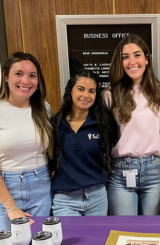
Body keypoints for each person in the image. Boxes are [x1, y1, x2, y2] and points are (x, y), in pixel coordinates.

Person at [0, 52, 53, 233]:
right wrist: (10, 207)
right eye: (18, 74)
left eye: (32, 76)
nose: (26, 81)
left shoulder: (44, 109)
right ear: (5, 76)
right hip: (3, 189)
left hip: (41, 186)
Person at [103, 34, 160, 215]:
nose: (132, 61)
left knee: (152, 233)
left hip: (156, 170)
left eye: (137, 55)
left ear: (147, 59)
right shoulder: (110, 95)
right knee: (124, 231)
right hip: (121, 171)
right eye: (125, 57)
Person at [50, 69, 117, 216]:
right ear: (70, 91)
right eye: (80, 89)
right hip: (65, 198)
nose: (86, 95)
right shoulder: (56, 123)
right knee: (68, 239)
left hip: (97, 197)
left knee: (97, 239)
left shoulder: (103, 123)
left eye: (91, 91)